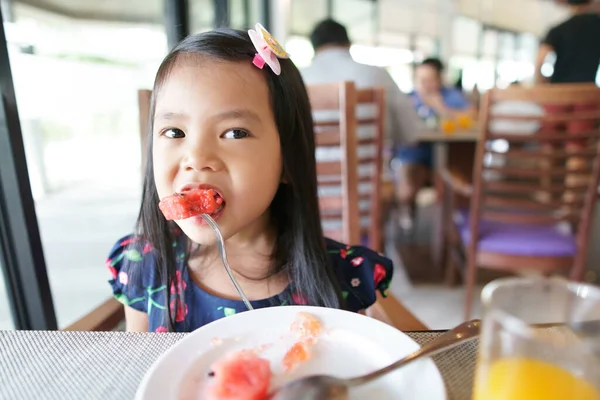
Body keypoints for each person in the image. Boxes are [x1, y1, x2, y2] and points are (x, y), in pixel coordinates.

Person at [105, 25, 394, 332]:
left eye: (235, 133)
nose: (197, 158)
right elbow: (139, 365)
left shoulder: (341, 278)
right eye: (174, 132)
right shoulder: (143, 267)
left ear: (287, 160)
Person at [394, 58, 471, 228]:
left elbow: (472, 116)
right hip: (415, 152)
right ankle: (406, 214)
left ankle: (454, 223)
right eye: (420, 80)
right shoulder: (407, 99)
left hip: (449, 153)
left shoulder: (450, 95)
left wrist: (441, 107)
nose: (425, 84)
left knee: (459, 177)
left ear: (438, 80)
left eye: (429, 79)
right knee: (407, 184)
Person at [535, 0, 600, 85]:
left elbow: (540, 61)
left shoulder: (559, 29)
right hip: (587, 90)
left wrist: (542, 85)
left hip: (560, 89)